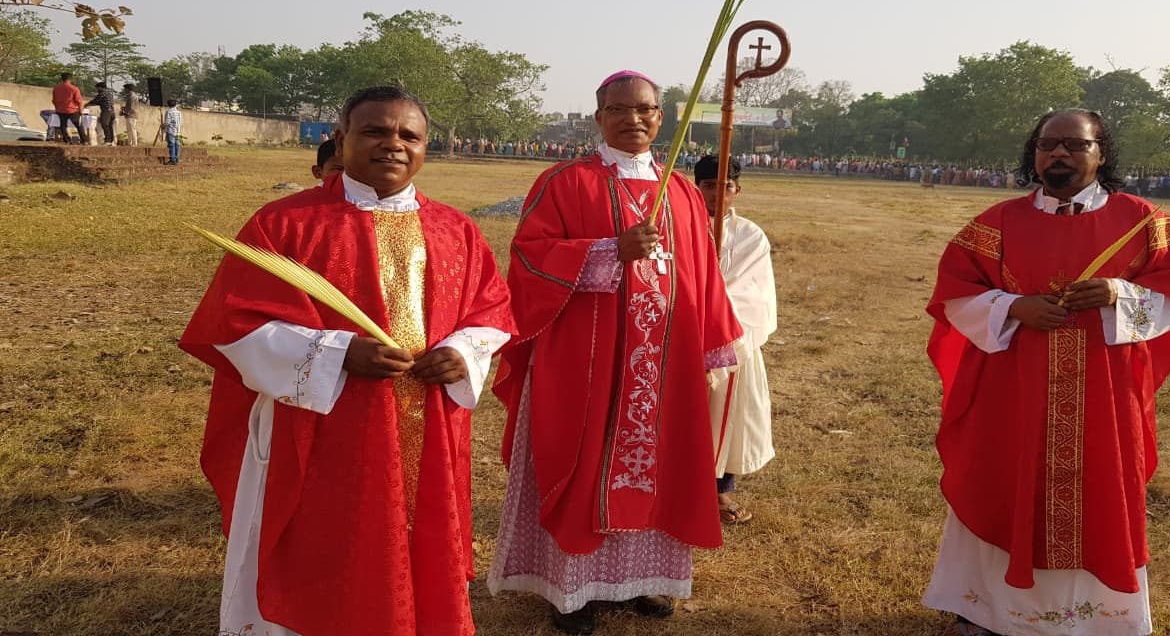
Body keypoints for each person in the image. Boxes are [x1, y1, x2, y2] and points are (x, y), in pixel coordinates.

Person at [180, 86, 515, 636]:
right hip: (322, 427)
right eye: (375, 132)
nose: (393, 145)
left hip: (426, 423)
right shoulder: (285, 225)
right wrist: (336, 354)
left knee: (417, 541)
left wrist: (462, 351)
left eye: (410, 135)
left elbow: (491, 308)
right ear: (342, 138)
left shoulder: (457, 230)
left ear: (429, 147)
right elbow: (234, 324)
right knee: (328, 549)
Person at [922, 108, 1170, 636]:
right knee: (1003, 480)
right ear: (1034, 153)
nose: (1058, 154)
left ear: (1101, 154)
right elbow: (955, 293)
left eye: (1075, 145)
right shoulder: (995, 224)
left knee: (1101, 490)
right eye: (1048, 144)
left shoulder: (1143, 222)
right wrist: (1011, 308)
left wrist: (1119, 295)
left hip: (1104, 390)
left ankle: (1097, 620)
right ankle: (988, 611)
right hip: (1014, 390)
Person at [488, 70, 742, 635]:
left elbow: (701, 274)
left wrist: (712, 341)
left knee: (662, 462)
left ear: (661, 117)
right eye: (620, 110)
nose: (634, 119)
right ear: (598, 117)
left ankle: (644, 578)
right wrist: (608, 250)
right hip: (587, 359)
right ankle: (572, 590)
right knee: (585, 464)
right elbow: (529, 258)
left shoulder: (678, 188)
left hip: (663, 362)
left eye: (646, 110)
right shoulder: (565, 182)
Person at [693, 155, 777, 526]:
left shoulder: (750, 235)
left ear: (737, 191)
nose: (716, 194)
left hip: (731, 338)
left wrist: (714, 320)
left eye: (724, 186)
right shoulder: (677, 225)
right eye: (708, 185)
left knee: (728, 417)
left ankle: (720, 490)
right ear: (696, 188)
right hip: (681, 333)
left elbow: (749, 290)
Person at [51, 72, 85, 144]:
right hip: (71, 110)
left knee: (63, 125)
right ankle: (83, 140)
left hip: (60, 110)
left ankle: (67, 140)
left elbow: (54, 100)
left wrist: (57, 108)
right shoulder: (74, 89)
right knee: (78, 125)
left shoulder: (56, 88)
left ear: (62, 79)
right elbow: (79, 101)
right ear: (70, 79)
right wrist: (81, 111)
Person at [86, 82, 117, 146]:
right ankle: (111, 141)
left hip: (106, 112)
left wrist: (86, 105)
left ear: (100, 87)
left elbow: (95, 101)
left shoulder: (102, 93)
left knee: (105, 125)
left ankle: (108, 140)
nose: (97, 90)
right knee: (110, 126)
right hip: (112, 112)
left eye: (97, 88)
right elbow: (100, 102)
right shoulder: (109, 93)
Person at [163, 99, 182, 164]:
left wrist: (163, 125)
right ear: (175, 104)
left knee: (171, 145)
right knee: (177, 144)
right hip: (178, 131)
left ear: (168, 105)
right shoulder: (179, 112)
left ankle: (172, 159)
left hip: (171, 130)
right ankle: (177, 158)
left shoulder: (169, 112)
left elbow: (167, 122)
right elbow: (180, 122)